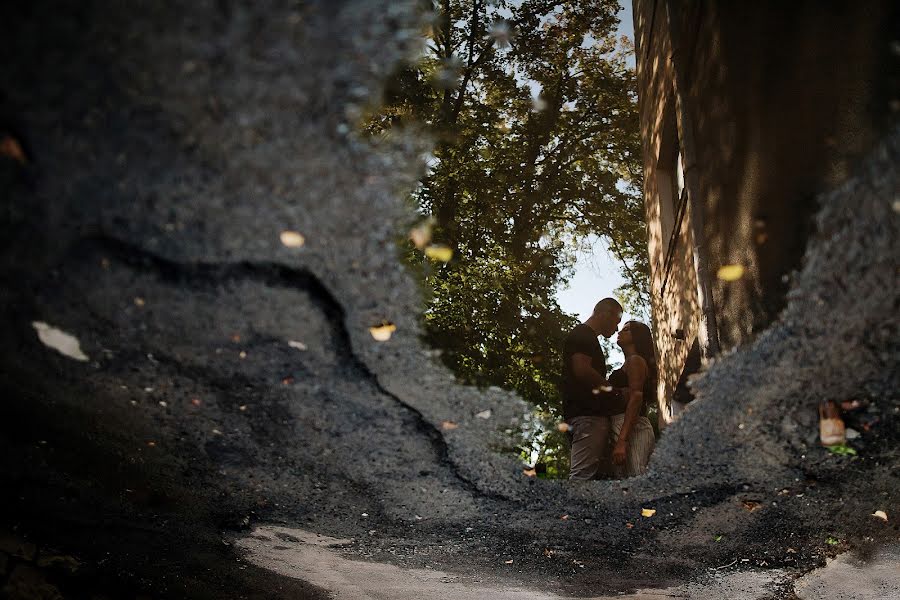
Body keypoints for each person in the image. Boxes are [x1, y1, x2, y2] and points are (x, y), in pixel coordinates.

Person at [562, 298, 628, 480]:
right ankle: (571, 508)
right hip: (587, 416)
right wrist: (614, 391)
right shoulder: (583, 335)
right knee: (581, 476)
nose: (616, 329)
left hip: (581, 416)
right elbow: (582, 370)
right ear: (605, 314)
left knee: (593, 476)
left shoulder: (584, 336)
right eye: (616, 322)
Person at [608, 321, 657, 477]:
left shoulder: (635, 360)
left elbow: (636, 397)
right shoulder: (630, 362)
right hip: (623, 426)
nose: (620, 332)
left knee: (636, 477)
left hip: (633, 427)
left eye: (627, 330)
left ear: (637, 337)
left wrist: (622, 440)